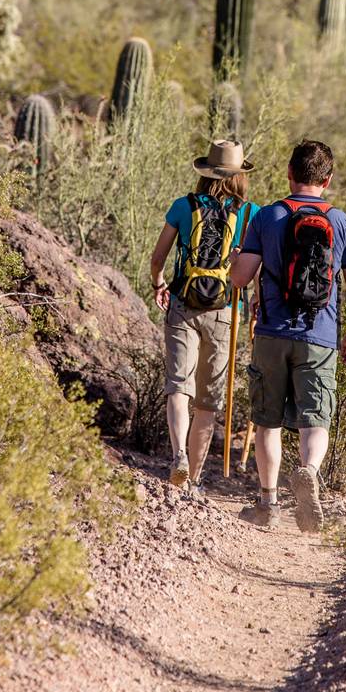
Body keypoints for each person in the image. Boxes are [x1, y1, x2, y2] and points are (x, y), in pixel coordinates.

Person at [230, 138, 346, 532]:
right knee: (315, 419)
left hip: (271, 333)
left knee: (267, 421)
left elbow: (240, 278)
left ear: (289, 173)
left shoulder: (267, 217)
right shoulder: (340, 222)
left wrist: (238, 259)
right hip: (319, 336)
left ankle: (267, 503)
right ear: (328, 179)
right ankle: (308, 471)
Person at [149, 139, 260, 490]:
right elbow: (255, 268)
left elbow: (157, 259)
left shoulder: (184, 206)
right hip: (226, 311)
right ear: (240, 175)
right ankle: (193, 480)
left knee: (178, 386)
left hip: (183, 304)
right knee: (208, 401)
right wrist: (255, 304)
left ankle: (178, 455)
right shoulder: (249, 214)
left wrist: (159, 284)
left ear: (206, 172)